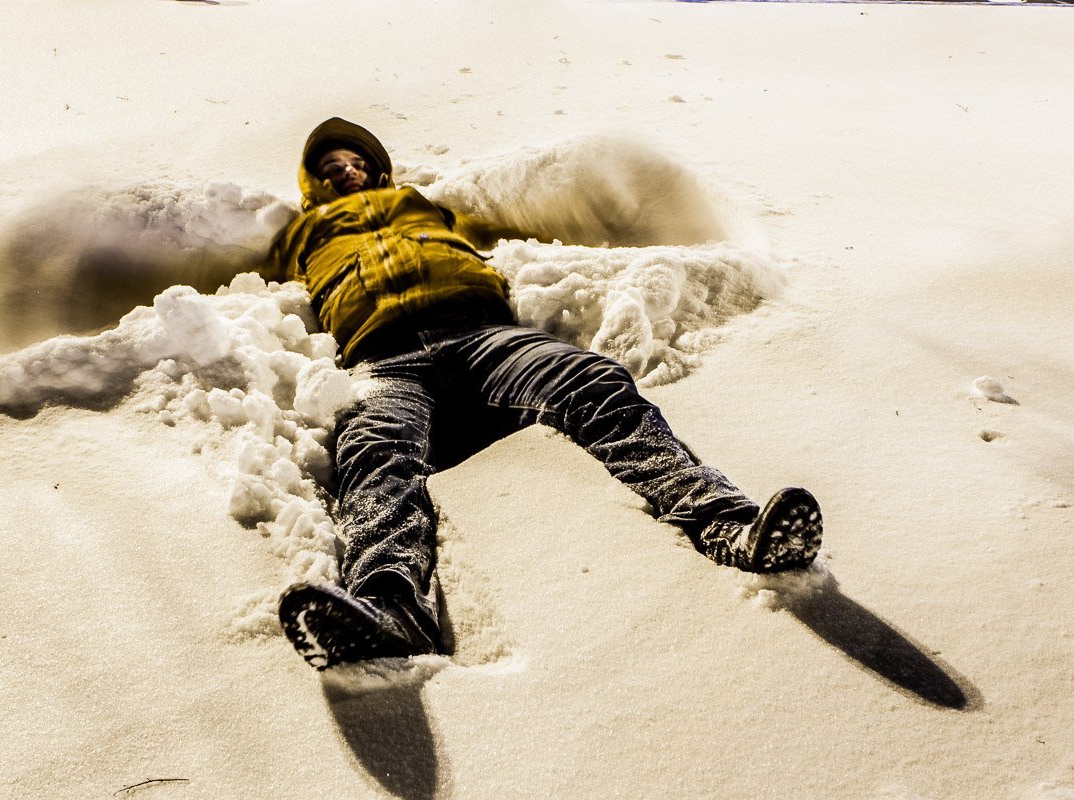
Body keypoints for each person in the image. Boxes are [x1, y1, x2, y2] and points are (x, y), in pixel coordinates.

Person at [259, 118, 823, 670]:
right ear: (315, 180)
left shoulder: (421, 204)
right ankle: (391, 605)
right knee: (374, 445)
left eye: (358, 162)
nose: (349, 171)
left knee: (594, 384)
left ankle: (728, 525)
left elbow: (510, 218)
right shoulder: (301, 232)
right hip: (383, 356)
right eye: (334, 166)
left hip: (486, 334)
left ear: (377, 169)